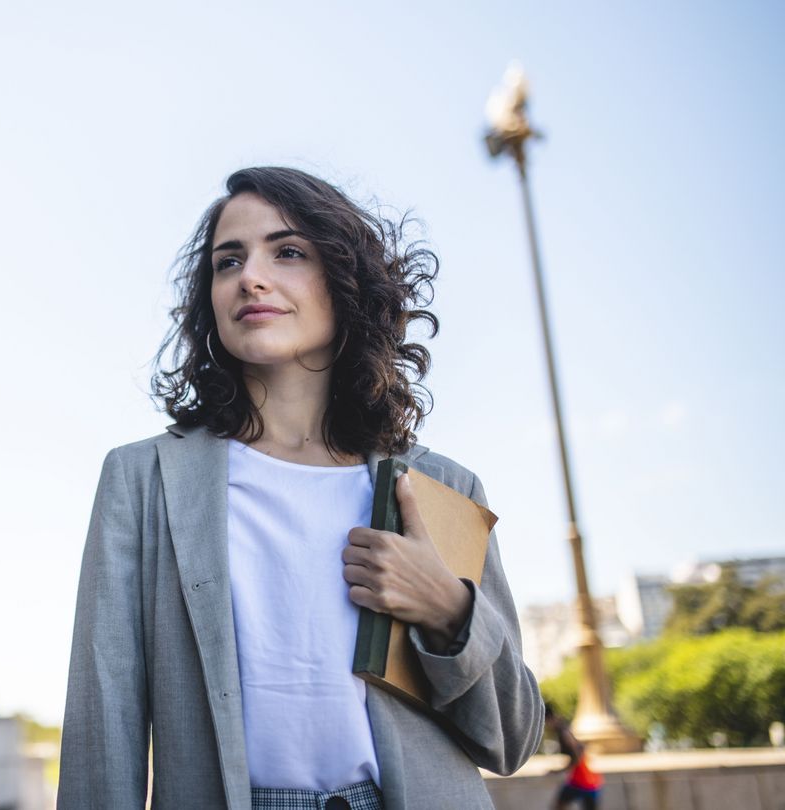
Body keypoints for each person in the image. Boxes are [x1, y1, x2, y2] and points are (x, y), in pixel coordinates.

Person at [59, 167, 545, 809]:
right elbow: (104, 725)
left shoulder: (439, 487)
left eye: (287, 251)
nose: (249, 277)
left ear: (346, 282)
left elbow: (512, 741)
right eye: (227, 261)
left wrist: (449, 610)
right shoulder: (143, 481)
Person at [547, 703, 603, 809]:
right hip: (587, 780)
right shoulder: (563, 728)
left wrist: (559, 770)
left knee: (558, 806)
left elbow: (577, 757)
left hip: (581, 781)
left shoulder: (563, 733)